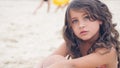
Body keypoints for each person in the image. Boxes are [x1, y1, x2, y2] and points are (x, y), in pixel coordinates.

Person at [36, 0, 120, 68]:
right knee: (53, 59)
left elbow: (72, 65)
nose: (81, 25)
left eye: (86, 17)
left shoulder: (108, 51)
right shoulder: (74, 42)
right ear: (70, 26)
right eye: (75, 21)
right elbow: (46, 61)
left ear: (100, 19)